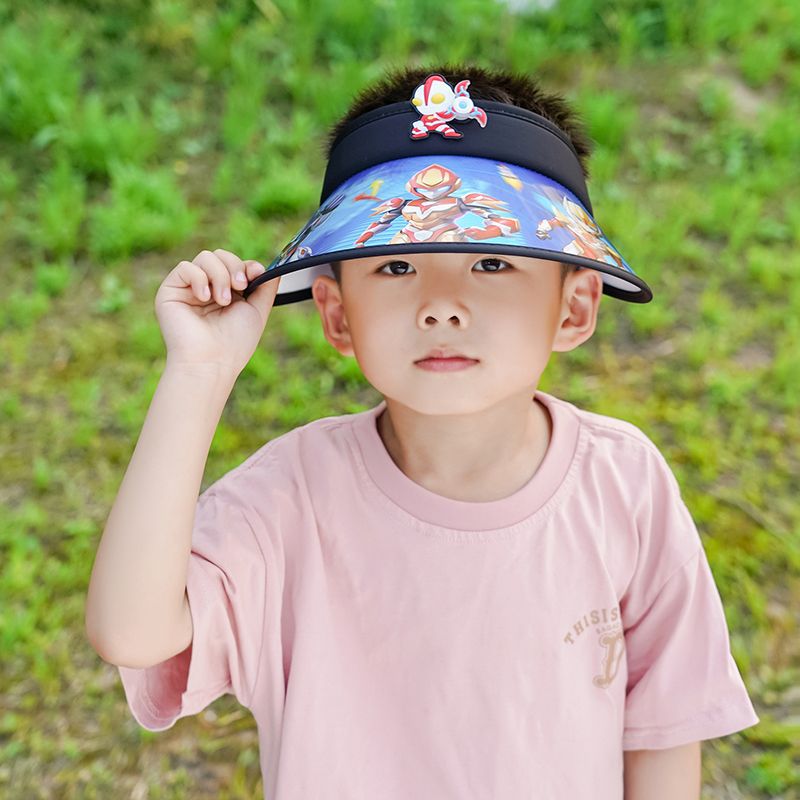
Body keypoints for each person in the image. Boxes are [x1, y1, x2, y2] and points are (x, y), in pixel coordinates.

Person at [85, 63, 760, 799]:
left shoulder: (624, 485)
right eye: (397, 264)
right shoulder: (289, 498)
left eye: (492, 261)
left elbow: (663, 730)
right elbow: (133, 634)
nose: (441, 304)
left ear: (573, 309)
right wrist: (198, 373)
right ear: (337, 314)